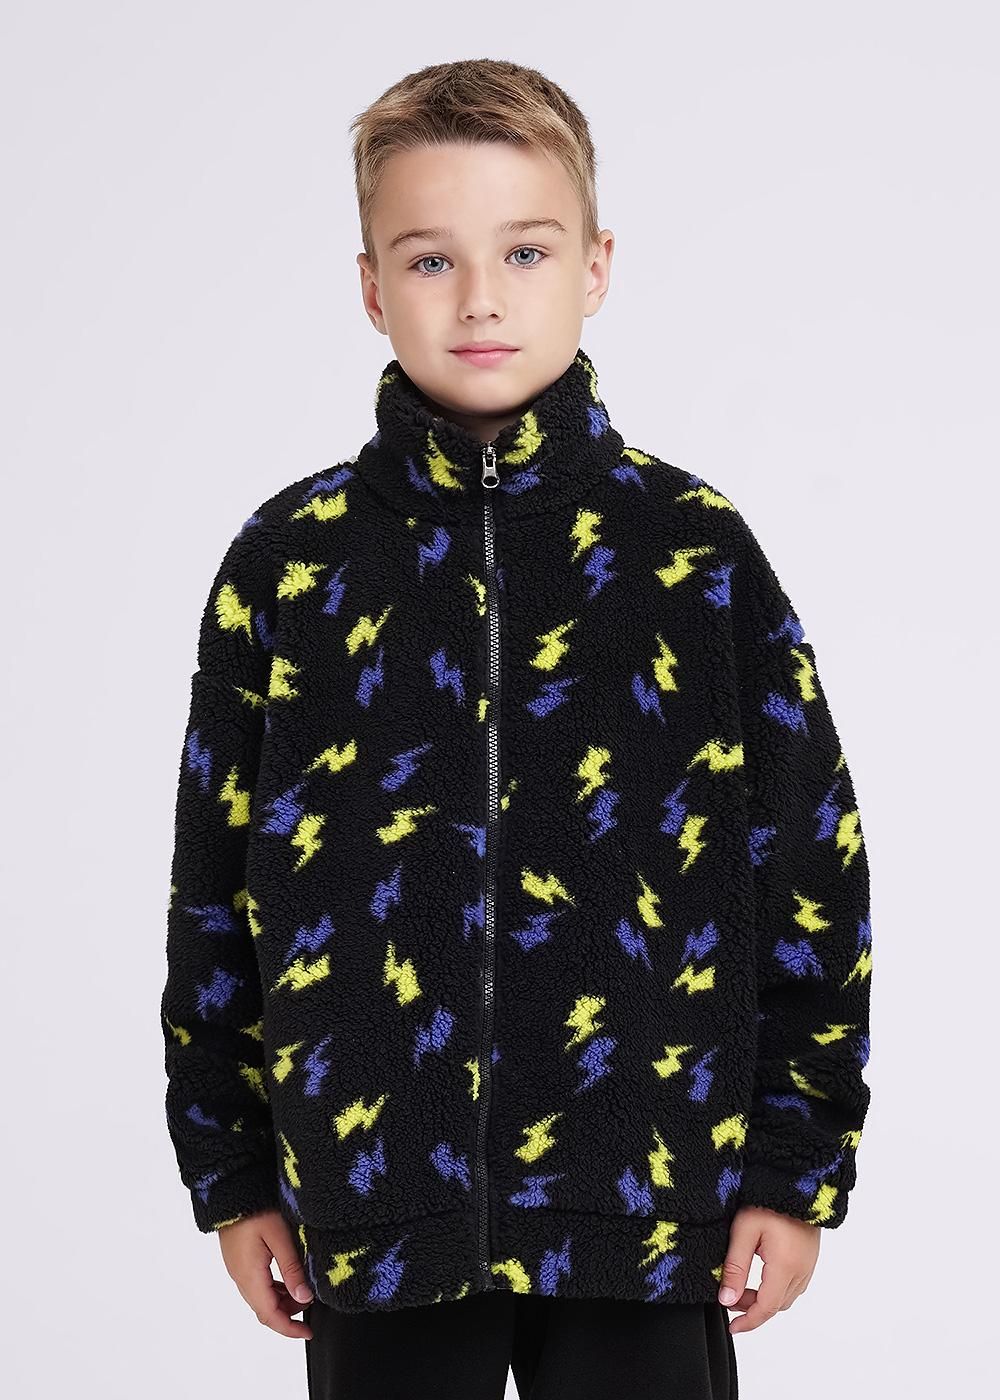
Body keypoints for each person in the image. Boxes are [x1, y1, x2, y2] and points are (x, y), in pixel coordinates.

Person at [160, 57, 873, 1400]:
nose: (480, 297)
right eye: (430, 260)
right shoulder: (293, 563)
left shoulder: (694, 555)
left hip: (647, 1204)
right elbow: (215, 885)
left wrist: (794, 1167)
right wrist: (233, 1171)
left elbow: (808, 866)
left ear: (596, 267)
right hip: (377, 1209)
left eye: (525, 251)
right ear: (371, 286)